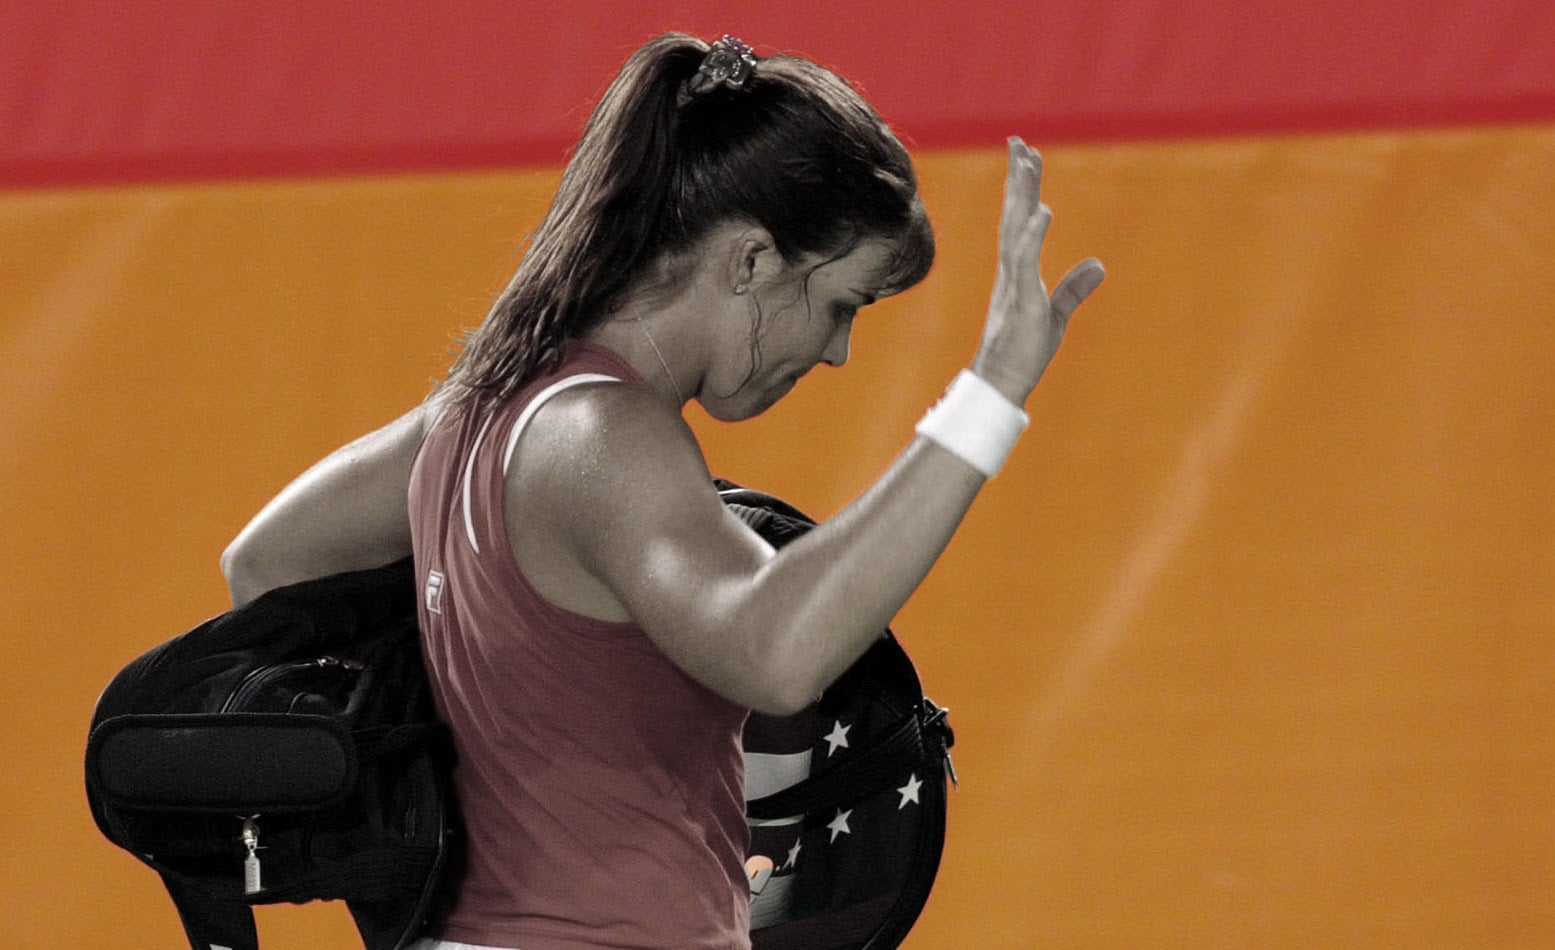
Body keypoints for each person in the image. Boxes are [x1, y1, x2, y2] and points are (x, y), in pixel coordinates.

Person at [221, 32, 1104, 950]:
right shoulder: (604, 437)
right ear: (751, 260)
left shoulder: (477, 412)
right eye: (842, 304)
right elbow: (772, 653)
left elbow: (269, 563)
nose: (839, 351)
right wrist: (989, 395)